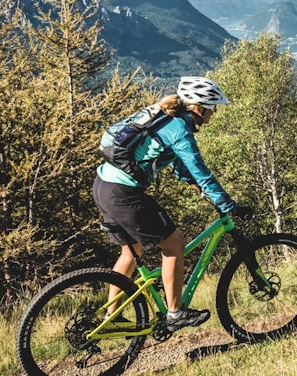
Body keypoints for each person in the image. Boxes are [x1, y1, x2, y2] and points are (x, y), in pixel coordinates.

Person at [93, 76, 246, 331]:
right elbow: (200, 169)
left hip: (103, 185)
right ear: (198, 108)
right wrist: (227, 204)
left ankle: (112, 316)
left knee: (132, 251)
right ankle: (175, 313)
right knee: (174, 244)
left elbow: (172, 158)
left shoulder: (165, 118)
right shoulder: (180, 129)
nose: (214, 112)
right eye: (212, 107)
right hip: (124, 194)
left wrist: (190, 181)